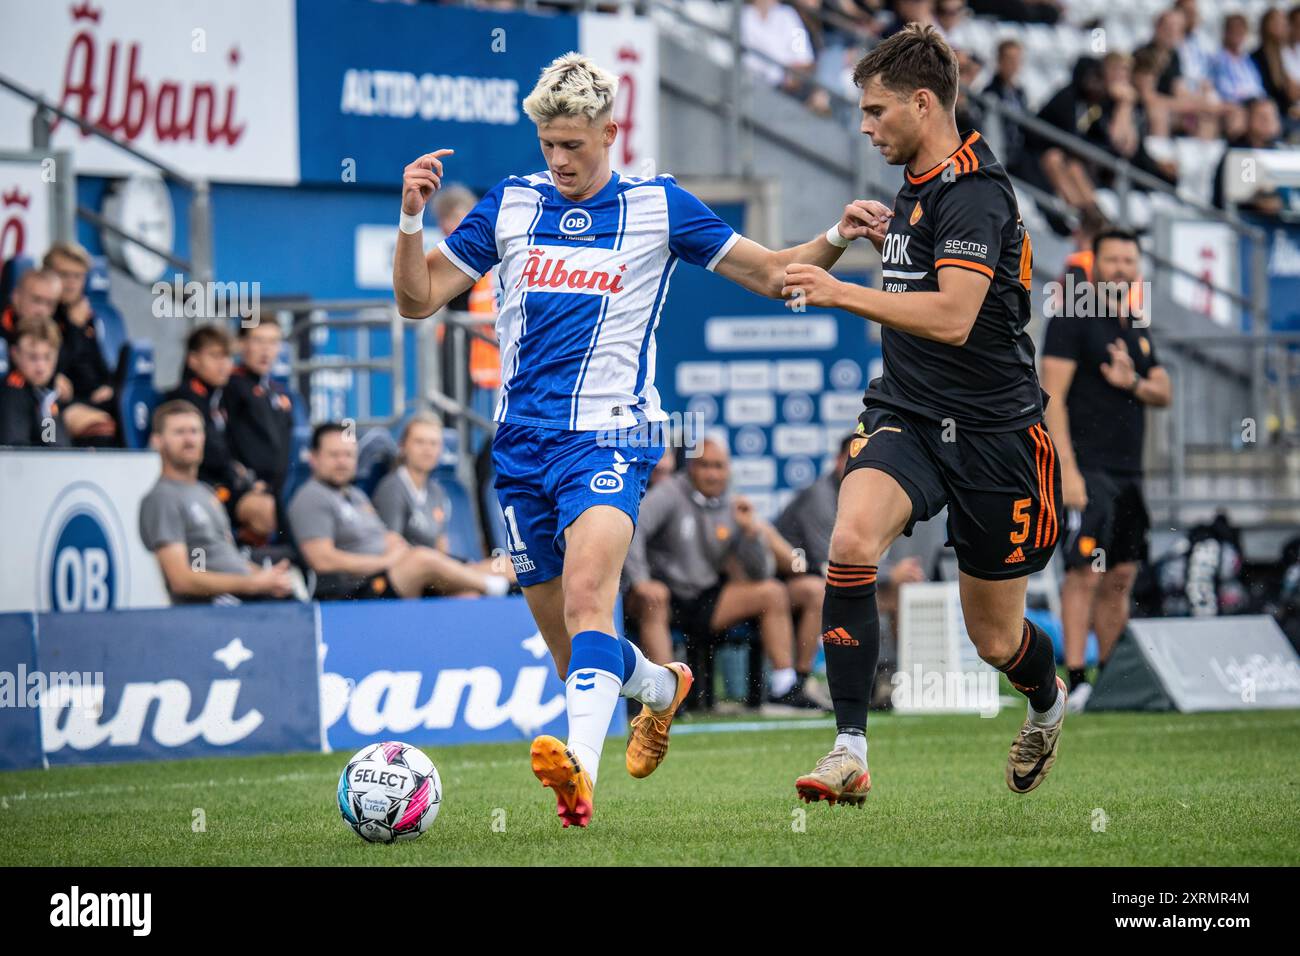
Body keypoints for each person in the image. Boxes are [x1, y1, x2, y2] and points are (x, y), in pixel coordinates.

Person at [393, 51, 886, 827]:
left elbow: (770, 274)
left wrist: (836, 234)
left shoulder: (660, 206)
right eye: (548, 144)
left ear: (609, 133)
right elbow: (419, 302)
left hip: (611, 441)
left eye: (574, 146)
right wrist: (412, 218)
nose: (559, 160)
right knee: (573, 656)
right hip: (520, 450)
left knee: (593, 603)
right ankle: (660, 686)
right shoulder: (511, 203)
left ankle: (578, 774)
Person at [780, 24, 1068, 806]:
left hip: (997, 439)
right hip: (907, 415)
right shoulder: (911, 186)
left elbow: (952, 318)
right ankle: (848, 749)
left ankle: (1046, 703)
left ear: (922, 102)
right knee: (847, 541)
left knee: (996, 640)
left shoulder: (976, 191)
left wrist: (841, 289)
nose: (865, 126)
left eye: (875, 111)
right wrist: (851, 239)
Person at [1041, 229, 1171, 712]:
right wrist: (1067, 472)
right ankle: (1075, 679)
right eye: (1113, 260)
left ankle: (1112, 678)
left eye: (1129, 261)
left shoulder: (1132, 321)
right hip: (1086, 468)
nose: (1121, 268)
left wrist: (1131, 380)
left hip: (1128, 473)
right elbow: (1050, 397)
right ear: (1094, 264)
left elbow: (1164, 390)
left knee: (1120, 574)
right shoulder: (1073, 317)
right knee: (1084, 573)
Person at [623, 437, 825, 710]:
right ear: (692, 468)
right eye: (704, 465)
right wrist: (641, 580)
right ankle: (667, 697)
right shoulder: (669, 493)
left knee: (772, 592)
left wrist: (751, 534)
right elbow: (633, 529)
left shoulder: (734, 506)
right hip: (664, 592)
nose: (712, 473)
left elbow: (760, 572)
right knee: (654, 597)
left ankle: (785, 687)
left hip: (705, 594)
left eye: (718, 466)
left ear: (728, 470)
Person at [289, 423, 513, 601]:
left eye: (348, 455)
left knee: (508, 565)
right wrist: (386, 562)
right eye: (334, 455)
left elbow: (386, 536)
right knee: (423, 558)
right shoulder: (311, 496)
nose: (342, 462)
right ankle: (494, 586)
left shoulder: (356, 495)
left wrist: (395, 546)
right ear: (313, 458)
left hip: (403, 568)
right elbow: (322, 561)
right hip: (363, 586)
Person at [139, 401, 294, 604]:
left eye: (194, 431)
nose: (189, 439)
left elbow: (220, 558)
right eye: (179, 432)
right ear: (158, 441)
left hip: (243, 597)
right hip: (216, 608)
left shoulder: (205, 492)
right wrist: (255, 584)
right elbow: (183, 581)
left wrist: (270, 577)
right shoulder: (163, 498)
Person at [165, 325, 278, 543]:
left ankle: (242, 558)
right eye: (215, 356)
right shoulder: (184, 399)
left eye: (227, 357)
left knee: (270, 504)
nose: (223, 364)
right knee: (264, 510)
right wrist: (236, 476)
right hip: (197, 485)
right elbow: (208, 453)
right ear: (194, 360)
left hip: (223, 483)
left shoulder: (218, 396)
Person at [372, 412, 515, 584]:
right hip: (413, 575)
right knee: (468, 593)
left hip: (440, 570)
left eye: (434, 444)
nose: (427, 449)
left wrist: (454, 569)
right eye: (420, 442)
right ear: (403, 446)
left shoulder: (436, 491)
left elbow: (441, 546)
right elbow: (391, 547)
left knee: (510, 565)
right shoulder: (392, 487)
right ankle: (487, 585)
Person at [43, 242, 118, 445]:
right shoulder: (45, 314)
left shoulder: (84, 314)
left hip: (94, 397)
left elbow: (100, 363)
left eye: (78, 276)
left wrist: (108, 386)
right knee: (100, 427)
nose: (71, 283)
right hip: (63, 400)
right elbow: (52, 366)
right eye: (64, 275)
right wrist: (74, 328)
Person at [221, 319, 295, 513]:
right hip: (245, 491)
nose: (266, 350)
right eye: (258, 340)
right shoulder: (229, 386)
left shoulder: (277, 391)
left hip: (278, 489)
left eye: (273, 342)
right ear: (241, 344)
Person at [0, 317, 70, 447]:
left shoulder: (47, 395)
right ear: (15, 354)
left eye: (47, 357)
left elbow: (55, 445)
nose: (41, 367)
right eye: (33, 357)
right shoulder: (13, 393)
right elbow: (16, 449)